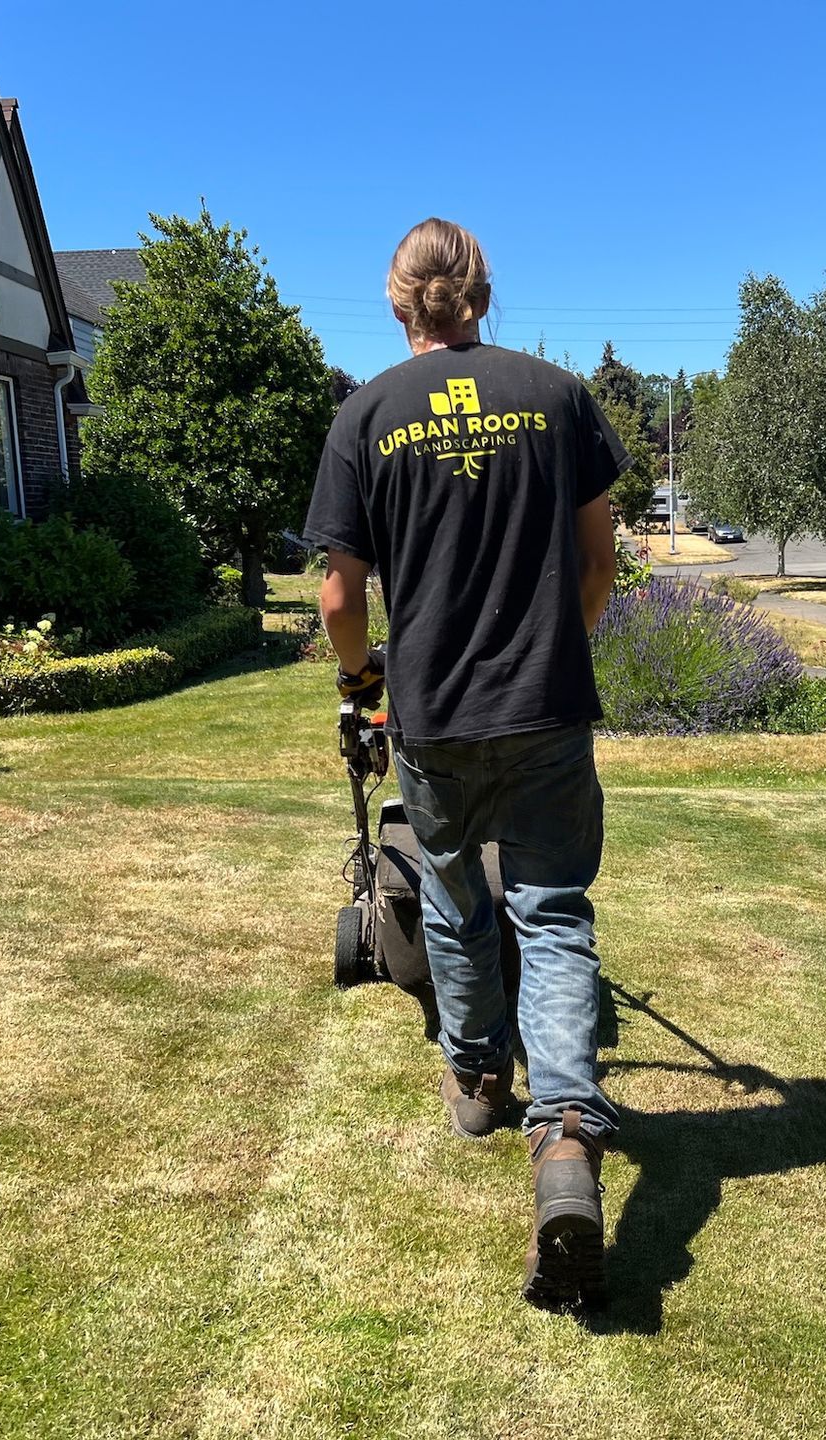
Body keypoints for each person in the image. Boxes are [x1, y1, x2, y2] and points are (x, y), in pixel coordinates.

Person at [303, 217, 627, 1311]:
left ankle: (480, 1075)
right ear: (482, 292)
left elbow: (340, 597)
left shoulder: (365, 417)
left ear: (400, 303)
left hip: (434, 719)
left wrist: (363, 680)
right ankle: (567, 1132)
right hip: (547, 707)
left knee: (452, 895)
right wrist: (555, 650)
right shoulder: (559, 395)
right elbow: (599, 562)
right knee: (554, 912)